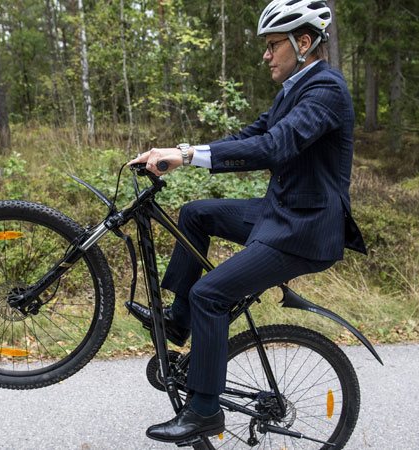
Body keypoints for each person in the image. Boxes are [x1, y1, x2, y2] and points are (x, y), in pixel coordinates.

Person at [127, 0, 367, 443]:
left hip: (306, 230)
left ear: (304, 41)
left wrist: (186, 156)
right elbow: (251, 136)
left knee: (211, 295)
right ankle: (179, 322)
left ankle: (203, 412)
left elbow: (275, 146)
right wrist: (182, 154)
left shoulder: (326, 90)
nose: (266, 54)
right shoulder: (295, 88)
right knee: (195, 213)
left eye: (273, 44)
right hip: (282, 210)